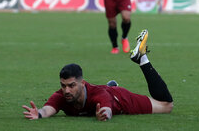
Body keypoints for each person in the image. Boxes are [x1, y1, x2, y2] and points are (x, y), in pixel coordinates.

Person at [22, 29, 173, 121]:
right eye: (63, 86)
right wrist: (39, 114)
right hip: (106, 92)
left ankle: (142, 59)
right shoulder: (62, 96)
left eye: (71, 86)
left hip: (120, 99)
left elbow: (106, 108)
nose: (66, 90)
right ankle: (110, 85)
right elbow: (49, 109)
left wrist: (104, 115)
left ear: (82, 83)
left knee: (167, 106)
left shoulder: (99, 95)